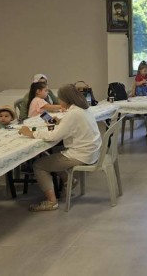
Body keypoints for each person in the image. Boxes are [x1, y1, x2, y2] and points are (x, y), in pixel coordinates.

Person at [18, 84, 102, 212]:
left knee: (39, 165)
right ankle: (68, 180)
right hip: (92, 151)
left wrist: (31, 133)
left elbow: (54, 136)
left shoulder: (73, 114)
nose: (58, 100)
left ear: (65, 99)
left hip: (82, 154)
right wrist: (60, 123)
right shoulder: (83, 109)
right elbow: (73, 126)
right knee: (52, 155)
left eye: (60, 98)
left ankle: (51, 202)